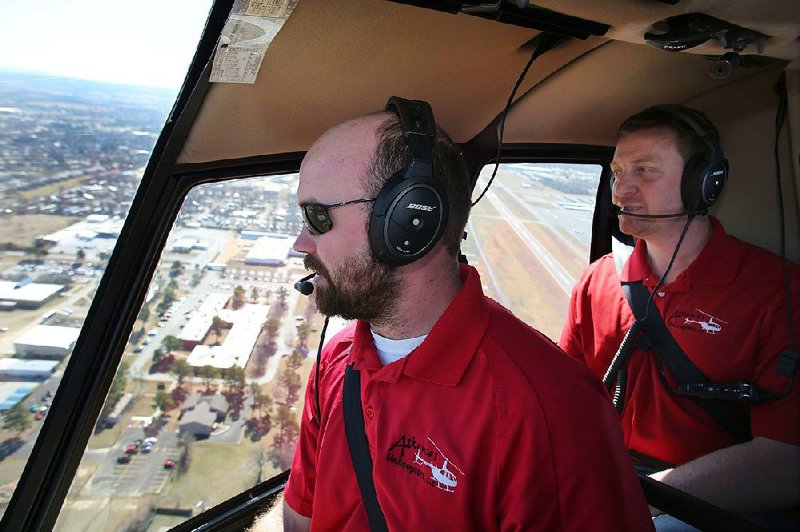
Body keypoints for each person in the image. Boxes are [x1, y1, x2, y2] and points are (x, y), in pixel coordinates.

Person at [252, 98, 653, 531]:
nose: (300, 244)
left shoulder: (548, 410)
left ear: (409, 223)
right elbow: (300, 518)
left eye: (316, 217)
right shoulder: (336, 360)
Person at [559, 104, 800, 526]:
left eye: (645, 171)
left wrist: (631, 501)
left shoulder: (777, 292)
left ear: (704, 183)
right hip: (606, 481)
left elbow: (785, 461)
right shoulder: (598, 280)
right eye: (617, 173)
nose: (620, 191)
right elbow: (563, 403)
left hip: (704, 504)